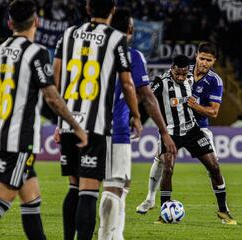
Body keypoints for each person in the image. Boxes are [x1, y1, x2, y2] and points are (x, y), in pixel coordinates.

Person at [0, 1, 88, 239]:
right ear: (37, 22)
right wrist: (76, 127)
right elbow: (52, 97)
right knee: (0, 200)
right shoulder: (36, 53)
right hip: (18, 143)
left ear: (10, 23)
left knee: (32, 199)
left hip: (2, 140)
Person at [53, 1, 142, 239]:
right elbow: (127, 82)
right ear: (112, 11)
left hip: (69, 120)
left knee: (73, 187)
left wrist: (59, 120)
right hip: (95, 124)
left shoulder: (68, 34)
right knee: (88, 191)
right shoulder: (115, 39)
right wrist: (136, 114)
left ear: (88, 9)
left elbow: (56, 77)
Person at [94, 8, 176, 240]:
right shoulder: (132, 56)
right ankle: (108, 236)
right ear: (130, 30)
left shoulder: (91, 54)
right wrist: (163, 131)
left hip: (86, 127)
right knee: (115, 186)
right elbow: (147, 97)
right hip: (116, 129)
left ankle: (112, 235)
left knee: (89, 188)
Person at [136, 53, 237, 225]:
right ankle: (164, 212)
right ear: (172, 69)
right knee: (167, 169)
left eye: (184, 73)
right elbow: (146, 98)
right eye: (178, 74)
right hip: (170, 133)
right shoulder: (161, 82)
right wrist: (136, 116)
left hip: (192, 130)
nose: (182, 77)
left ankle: (223, 210)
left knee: (214, 166)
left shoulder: (192, 78)